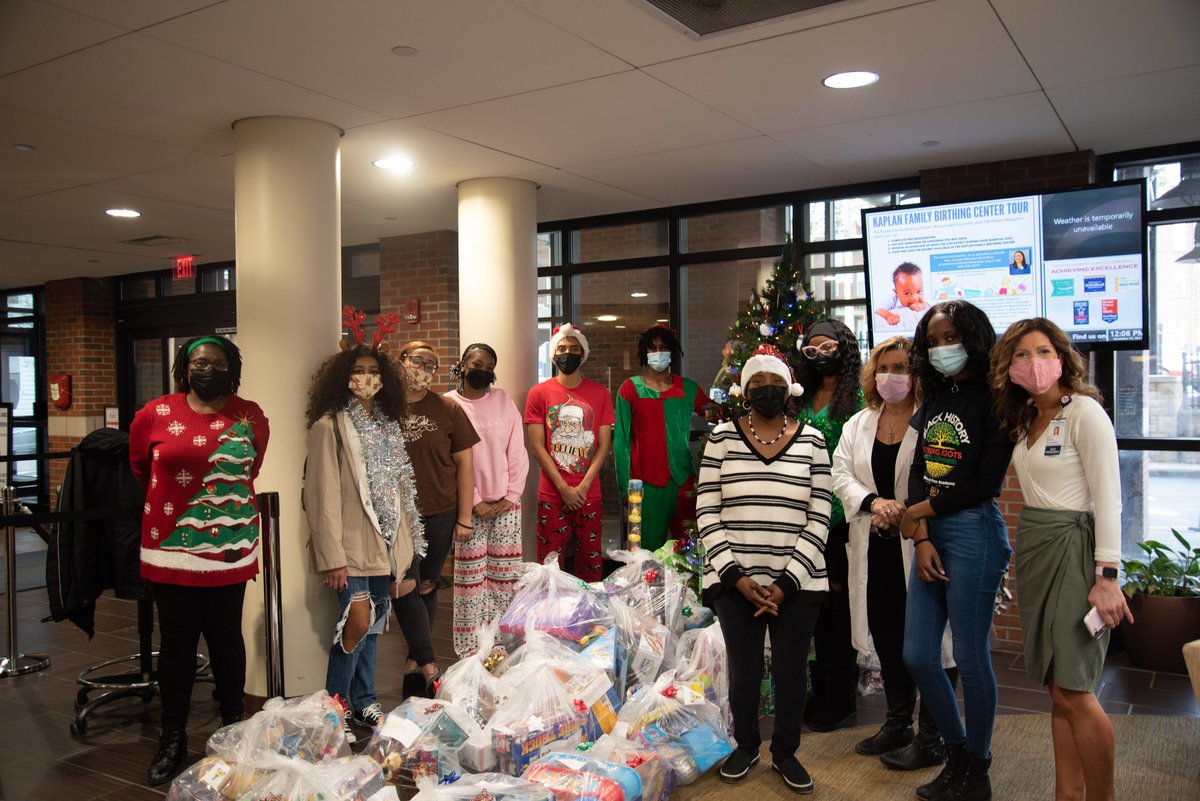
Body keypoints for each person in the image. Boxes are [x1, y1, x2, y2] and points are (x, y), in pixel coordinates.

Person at [991, 318, 1130, 801]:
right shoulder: (1027, 416)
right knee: (1057, 686)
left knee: (1074, 688)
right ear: (1009, 367)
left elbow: (1109, 499)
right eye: (1021, 354)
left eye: (1043, 351)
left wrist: (1107, 577)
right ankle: (1067, 794)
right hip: (1036, 547)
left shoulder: (1084, 413)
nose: (1034, 362)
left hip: (1075, 551)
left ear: (1062, 357)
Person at [129, 335, 269, 786]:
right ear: (184, 368)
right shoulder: (154, 414)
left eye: (218, 362)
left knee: (226, 639)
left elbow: (249, 470)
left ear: (232, 368)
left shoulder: (250, 415)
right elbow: (141, 468)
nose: (208, 369)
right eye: (199, 362)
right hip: (171, 547)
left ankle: (233, 731)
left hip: (229, 546)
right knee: (177, 643)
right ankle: (172, 735)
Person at [698, 343, 830, 793]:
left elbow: (820, 514)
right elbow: (707, 511)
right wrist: (736, 577)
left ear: (789, 389)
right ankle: (747, 745)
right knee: (745, 671)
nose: (767, 389)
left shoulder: (813, 441)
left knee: (792, 672)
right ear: (744, 389)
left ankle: (786, 752)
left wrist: (787, 583)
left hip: (798, 581)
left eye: (775, 382)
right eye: (758, 382)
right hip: (735, 580)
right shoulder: (721, 438)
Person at [900, 301, 1014, 801]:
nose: (942, 348)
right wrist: (923, 534)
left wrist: (919, 513)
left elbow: (986, 483)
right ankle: (956, 754)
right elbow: (917, 468)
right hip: (932, 532)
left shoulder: (997, 399)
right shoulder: (935, 396)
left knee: (969, 656)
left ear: (973, 337)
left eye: (951, 337)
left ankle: (977, 770)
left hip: (974, 532)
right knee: (918, 655)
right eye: (933, 341)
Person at [832, 337, 957, 772]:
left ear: (917, 373)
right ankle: (898, 722)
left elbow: (943, 478)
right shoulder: (859, 423)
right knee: (887, 637)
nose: (892, 376)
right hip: (875, 547)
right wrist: (874, 503)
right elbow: (840, 472)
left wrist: (904, 510)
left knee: (934, 644)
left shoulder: (934, 421)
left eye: (902, 368)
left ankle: (933, 735)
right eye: (884, 367)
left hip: (923, 543)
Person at [304, 341, 423, 743]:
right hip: (350, 548)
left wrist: (405, 549)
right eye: (358, 371)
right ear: (343, 377)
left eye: (374, 371)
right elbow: (320, 496)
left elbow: (400, 493)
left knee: (372, 626)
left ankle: (364, 699)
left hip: (382, 546)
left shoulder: (388, 426)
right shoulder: (329, 427)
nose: (367, 378)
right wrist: (332, 558)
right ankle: (335, 708)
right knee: (354, 623)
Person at [394, 341, 479, 695]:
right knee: (404, 585)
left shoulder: (447, 408)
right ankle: (429, 663)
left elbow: (465, 464)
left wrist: (464, 517)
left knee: (427, 585)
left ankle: (413, 666)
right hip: (397, 517)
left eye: (431, 364)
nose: (424, 368)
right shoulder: (384, 407)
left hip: (440, 512)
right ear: (401, 362)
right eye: (418, 360)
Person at [796, 319, 864, 733]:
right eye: (812, 350)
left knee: (839, 608)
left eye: (828, 348)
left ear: (844, 348)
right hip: (803, 515)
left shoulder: (858, 397)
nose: (820, 356)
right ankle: (818, 691)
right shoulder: (800, 396)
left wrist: (836, 509)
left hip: (841, 518)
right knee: (813, 605)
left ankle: (841, 698)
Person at [445, 343, 529, 658]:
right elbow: (451, 461)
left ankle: (503, 645)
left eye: (489, 367)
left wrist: (510, 496)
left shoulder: (503, 400)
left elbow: (517, 451)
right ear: (463, 364)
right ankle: (470, 648)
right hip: (469, 507)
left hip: (507, 505)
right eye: (477, 364)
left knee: (505, 579)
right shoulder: (449, 404)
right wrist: (475, 501)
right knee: (470, 582)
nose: (483, 371)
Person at [524, 323, 615, 582]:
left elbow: (604, 445)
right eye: (562, 348)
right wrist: (563, 488)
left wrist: (583, 486)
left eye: (575, 349)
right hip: (552, 494)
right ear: (553, 355)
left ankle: (589, 607)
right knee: (550, 566)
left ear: (583, 354)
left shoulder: (599, 393)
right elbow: (537, 446)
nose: (568, 354)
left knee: (591, 563)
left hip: (589, 493)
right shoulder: (539, 393)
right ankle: (550, 608)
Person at [614, 324, 712, 551]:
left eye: (663, 347)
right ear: (644, 352)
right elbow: (621, 442)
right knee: (646, 552)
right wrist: (624, 488)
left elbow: (716, 413)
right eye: (653, 348)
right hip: (646, 486)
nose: (658, 353)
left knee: (689, 551)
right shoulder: (629, 389)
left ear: (672, 351)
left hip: (683, 483)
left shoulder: (688, 388)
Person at [876, 262, 928, 328]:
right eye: (907, 293)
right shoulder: (893, 299)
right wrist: (889, 316)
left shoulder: (923, 302)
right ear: (896, 293)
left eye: (919, 291)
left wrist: (923, 306)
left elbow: (930, 307)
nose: (915, 298)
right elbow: (878, 309)